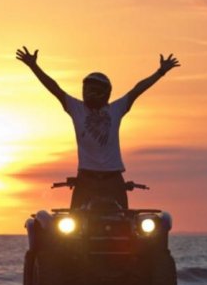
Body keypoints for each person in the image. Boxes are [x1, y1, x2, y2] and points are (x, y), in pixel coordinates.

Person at [16, 46, 179, 208]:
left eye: (92, 89)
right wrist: (34, 66)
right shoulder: (76, 108)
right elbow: (54, 88)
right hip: (86, 178)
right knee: (73, 225)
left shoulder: (116, 109)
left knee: (125, 224)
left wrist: (160, 72)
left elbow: (137, 90)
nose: (88, 93)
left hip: (113, 178)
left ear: (104, 92)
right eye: (86, 89)